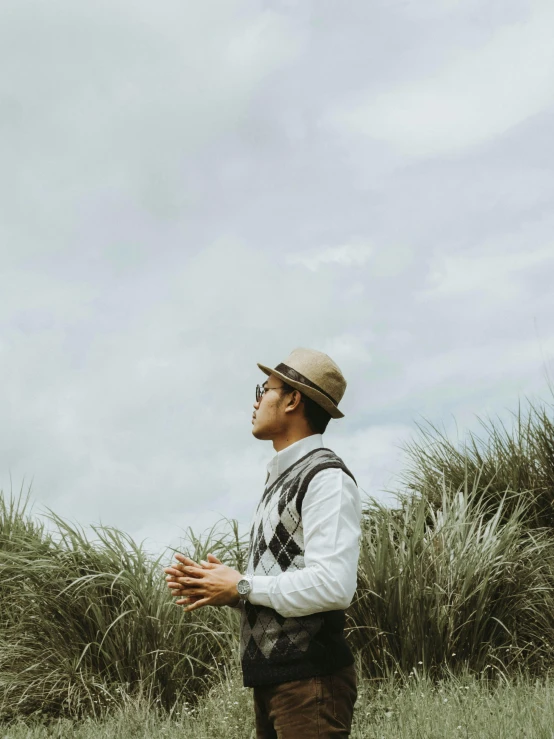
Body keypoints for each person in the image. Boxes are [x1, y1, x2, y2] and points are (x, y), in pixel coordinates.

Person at [164, 347, 362, 738]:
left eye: (265, 389)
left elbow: (334, 586)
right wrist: (224, 587)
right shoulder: (280, 481)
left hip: (311, 682)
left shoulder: (326, 478)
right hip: (276, 682)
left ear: (292, 400)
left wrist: (242, 584)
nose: (256, 400)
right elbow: (277, 587)